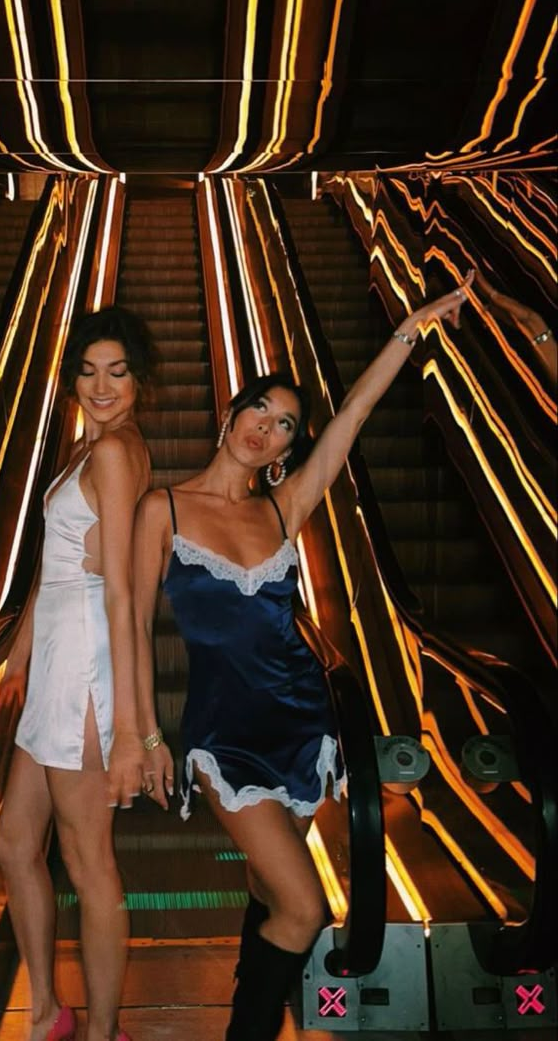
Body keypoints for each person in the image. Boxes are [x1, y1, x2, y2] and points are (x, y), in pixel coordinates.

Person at [132, 273, 475, 1041]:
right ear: (231, 411)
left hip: (307, 727)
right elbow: (124, 619)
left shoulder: (283, 507)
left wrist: (410, 327)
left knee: (268, 885)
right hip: (225, 736)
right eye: (260, 407)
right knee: (303, 905)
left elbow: (352, 415)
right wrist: (142, 730)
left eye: (285, 424)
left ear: (289, 448)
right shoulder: (166, 507)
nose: (267, 426)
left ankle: (255, 988)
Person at [0, 306, 158, 1041]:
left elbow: (121, 590)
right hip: (54, 659)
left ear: (140, 381)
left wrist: (130, 729)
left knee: (89, 864)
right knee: (13, 844)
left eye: (117, 372)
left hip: (87, 666)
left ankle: (101, 1031)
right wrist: (17, 656)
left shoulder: (117, 453)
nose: (101, 385)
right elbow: (49, 572)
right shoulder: (82, 452)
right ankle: (47, 1012)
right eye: (89, 371)